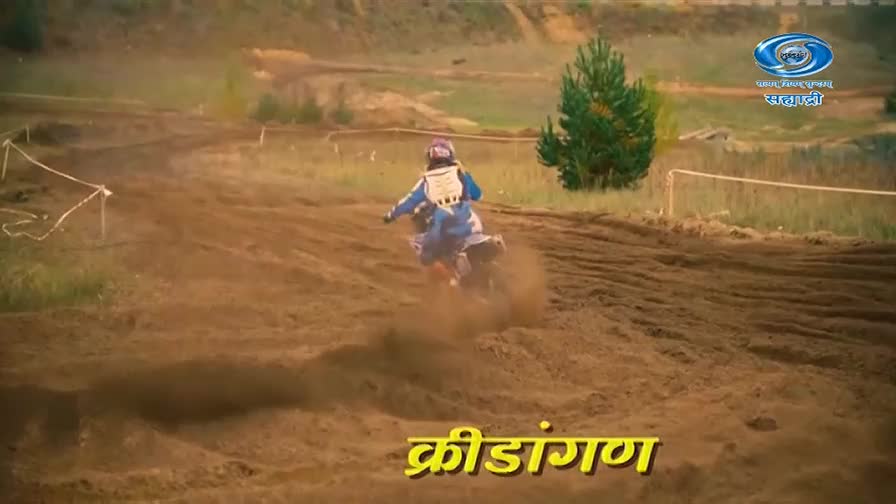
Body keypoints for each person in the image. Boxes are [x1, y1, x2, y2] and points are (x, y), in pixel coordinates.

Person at [382, 138, 483, 268]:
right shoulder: (461, 173)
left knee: (425, 256)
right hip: (470, 222)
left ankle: (445, 268)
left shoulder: (426, 180)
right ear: (450, 154)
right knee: (475, 221)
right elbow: (478, 195)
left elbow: (409, 202)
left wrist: (391, 215)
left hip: (442, 226)